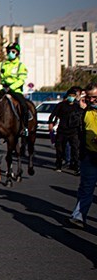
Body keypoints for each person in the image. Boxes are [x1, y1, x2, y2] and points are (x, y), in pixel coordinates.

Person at [0, 42, 30, 136]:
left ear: (17, 53)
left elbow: (21, 80)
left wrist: (11, 88)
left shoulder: (21, 66)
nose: (10, 53)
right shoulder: (1, 64)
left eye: (13, 51)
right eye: (9, 51)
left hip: (15, 90)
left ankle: (24, 127)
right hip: (2, 89)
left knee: (24, 106)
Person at [69, 82, 97, 229]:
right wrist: (79, 110)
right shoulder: (84, 110)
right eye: (90, 97)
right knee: (86, 186)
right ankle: (79, 215)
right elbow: (72, 124)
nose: (92, 101)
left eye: (95, 97)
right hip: (89, 155)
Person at [50, 87, 84, 173]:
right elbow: (53, 115)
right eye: (70, 95)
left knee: (75, 149)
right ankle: (59, 165)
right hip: (62, 130)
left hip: (73, 131)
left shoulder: (77, 106)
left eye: (73, 96)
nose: (71, 97)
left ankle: (76, 167)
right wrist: (51, 123)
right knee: (60, 149)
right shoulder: (61, 105)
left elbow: (82, 117)